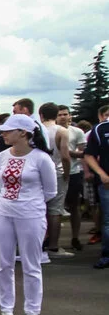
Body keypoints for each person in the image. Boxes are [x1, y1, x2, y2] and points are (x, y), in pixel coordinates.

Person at [0, 115, 56, 315]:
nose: (4, 134)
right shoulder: (1, 156)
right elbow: (1, 186)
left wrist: (30, 204)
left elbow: (50, 191)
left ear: (23, 133)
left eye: (9, 130)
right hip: (4, 212)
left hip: (31, 214)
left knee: (31, 264)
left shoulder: (41, 158)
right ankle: (6, 308)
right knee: (4, 263)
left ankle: (32, 311)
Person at [40, 103, 73, 259]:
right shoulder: (61, 131)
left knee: (40, 208)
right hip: (56, 172)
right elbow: (65, 156)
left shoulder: (37, 129)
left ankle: (40, 242)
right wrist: (67, 174)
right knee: (55, 209)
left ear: (41, 115)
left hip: (38, 173)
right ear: (56, 115)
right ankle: (53, 246)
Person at [58, 106, 87, 250]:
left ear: (70, 116)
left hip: (75, 171)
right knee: (54, 208)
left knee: (74, 205)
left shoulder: (77, 132)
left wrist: (67, 152)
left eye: (65, 114)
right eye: (60, 115)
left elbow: (83, 153)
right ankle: (52, 240)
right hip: (56, 172)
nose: (63, 117)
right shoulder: (53, 132)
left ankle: (75, 237)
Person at [84, 104, 109, 269]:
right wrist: (101, 173)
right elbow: (89, 154)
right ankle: (107, 255)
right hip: (107, 183)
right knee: (108, 221)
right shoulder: (100, 129)